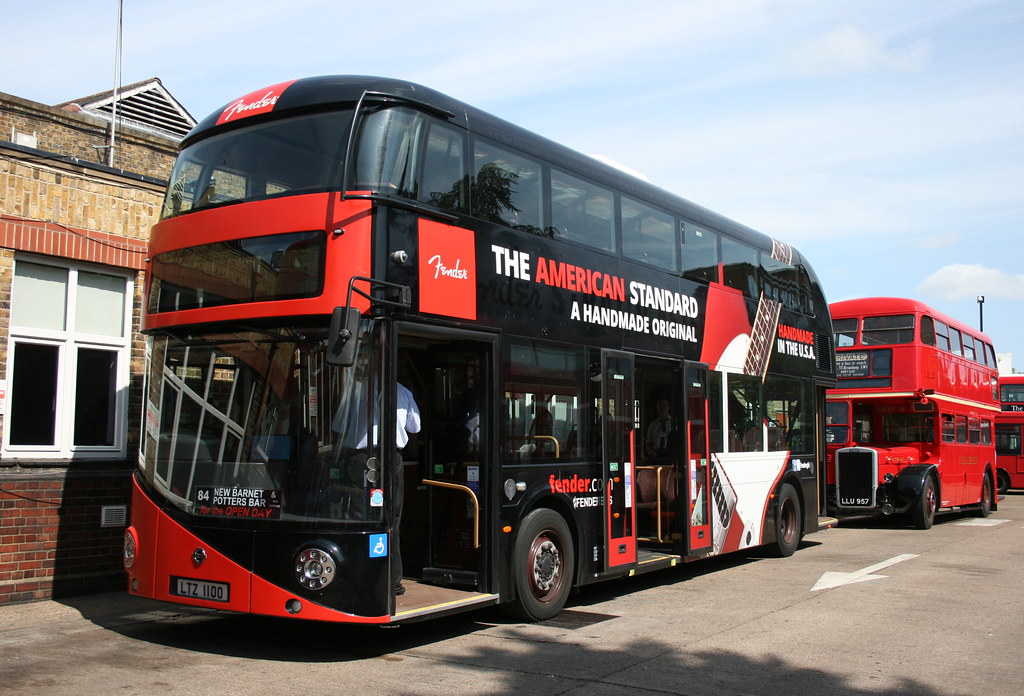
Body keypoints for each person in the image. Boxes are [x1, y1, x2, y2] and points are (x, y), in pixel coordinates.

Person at [392, 382, 421, 596]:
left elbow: (339, 426)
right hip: (391, 458)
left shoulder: (357, 389)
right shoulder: (402, 391)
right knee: (392, 520)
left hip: (356, 459)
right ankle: (393, 580)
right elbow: (415, 426)